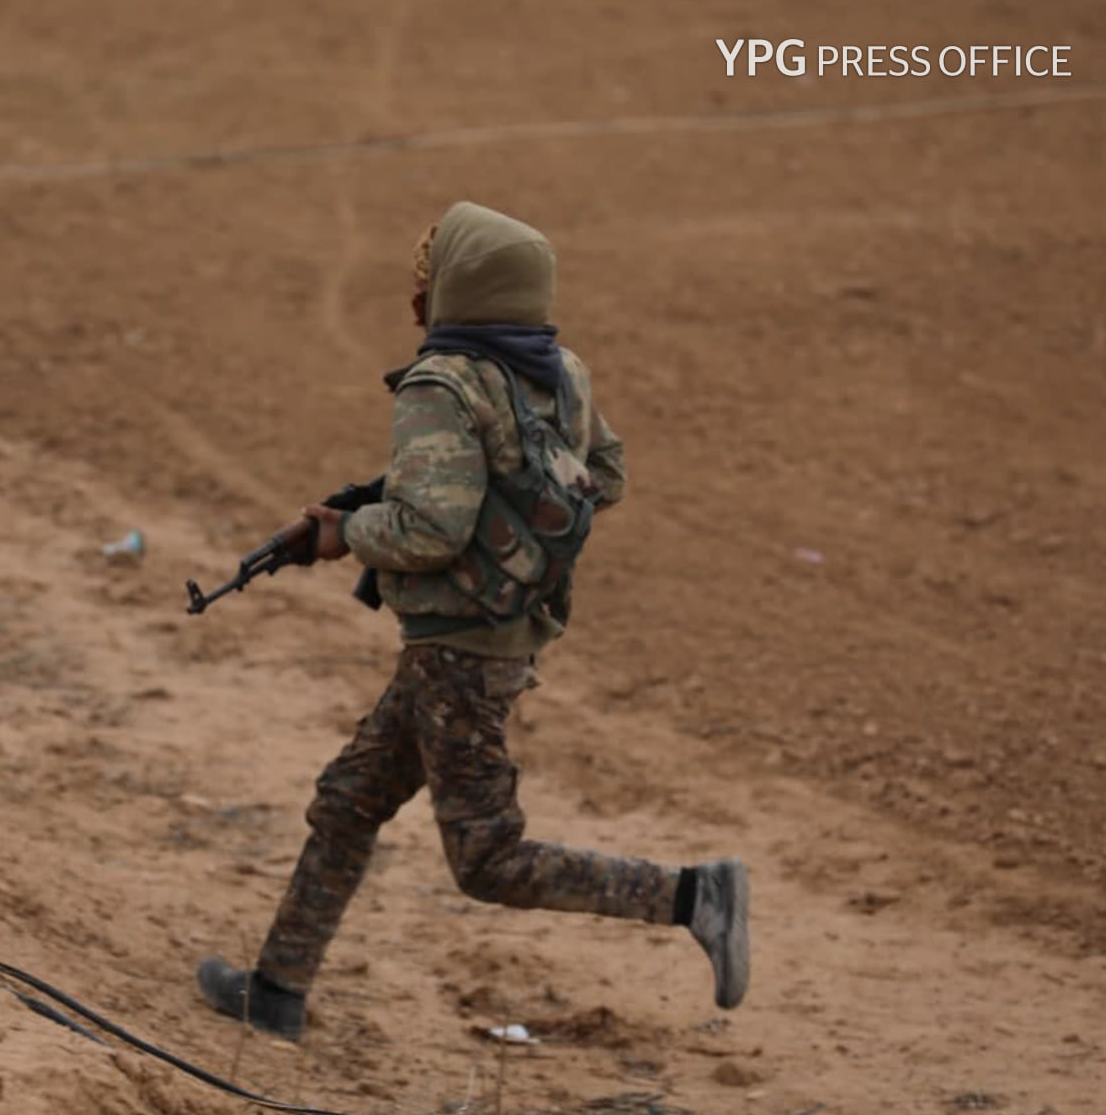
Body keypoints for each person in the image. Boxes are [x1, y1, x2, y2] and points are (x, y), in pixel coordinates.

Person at [195, 201, 749, 1041]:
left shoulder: (441, 383)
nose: (417, 297)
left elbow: (429, 531)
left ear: (454, 291)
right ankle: (276, 988)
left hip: (458, 654)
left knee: (487, 859)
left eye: (428, 280)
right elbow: (609, 474)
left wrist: (346, 534)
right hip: (498, 636)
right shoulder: (558, 371)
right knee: (348, 801)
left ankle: (693, 895)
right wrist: (513, 505)